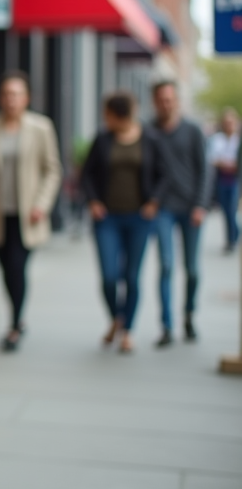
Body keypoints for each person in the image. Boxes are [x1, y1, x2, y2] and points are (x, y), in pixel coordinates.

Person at [0, 71, 62, 352]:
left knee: (17, 266)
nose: (12, 100)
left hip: (27, 215)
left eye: (17, 94)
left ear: (27, 98)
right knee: (6, 268)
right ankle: (17, 319)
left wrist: (42, 205)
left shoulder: (41, 128)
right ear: (0, 98)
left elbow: (52, 170)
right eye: (7, 94)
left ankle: (14, 323)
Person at [81, 92, 169, 353]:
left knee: (131, 276)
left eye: (106, 114)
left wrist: (154, 201)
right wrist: (93, 201)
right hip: (107, 218)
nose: (104, 119)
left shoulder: (151, 139)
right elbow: (87, 174)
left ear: (117, 115)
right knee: (109, 277)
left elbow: (165, 175)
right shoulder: (103, 139)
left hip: (139, 218)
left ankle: (127, 330)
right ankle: (117, 318)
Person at [150, 81, 211, 345]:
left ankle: (189, 315)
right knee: (165, 266)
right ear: (155, 102)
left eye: (170, 99)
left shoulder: (193, 131)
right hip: (163, 208)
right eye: (161, 100)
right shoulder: (149, 131)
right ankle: (166, 325)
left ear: (177, 101)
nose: (166, 104)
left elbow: (206, 171)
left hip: (191, 209)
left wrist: (201, 205)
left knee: (192, 269)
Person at [207, 108, 240, 251]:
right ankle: (234, 234)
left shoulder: (238, 140)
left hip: (235, 180)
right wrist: (224, 163)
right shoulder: (217, 139)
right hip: (221, 180)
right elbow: (212, 158)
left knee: (232, 211)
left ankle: (231, 240)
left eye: (231, 122)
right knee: (226, 211)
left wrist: (231, 164)